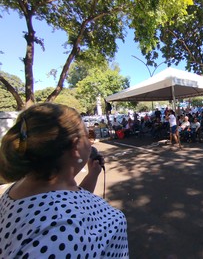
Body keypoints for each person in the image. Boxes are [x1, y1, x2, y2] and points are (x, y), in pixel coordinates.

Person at [0, 103, 129, 258]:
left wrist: (92, 175)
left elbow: (68, 203)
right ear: (76, 147)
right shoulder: (62, 230)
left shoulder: (17, 191)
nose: (90, 142)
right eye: (87, 136)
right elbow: (65, 214)